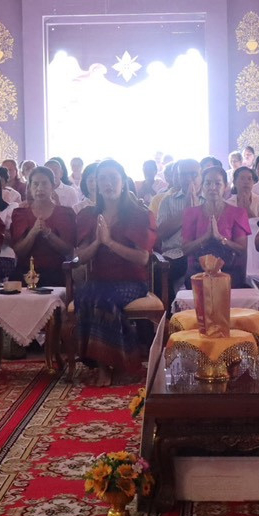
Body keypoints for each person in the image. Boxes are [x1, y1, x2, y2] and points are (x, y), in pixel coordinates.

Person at [74, 160, 154, 386]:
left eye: (113, 178)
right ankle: (103, 366)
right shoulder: (88, 215)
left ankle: (120, 364)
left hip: (132, 281)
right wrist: (98, 243)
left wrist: (109, 242)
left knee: (104, 300)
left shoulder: (138, 214)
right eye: (102, 179)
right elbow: (80, 257)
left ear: (123, 182)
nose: (108, 184)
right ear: (96, 185)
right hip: (99, 280)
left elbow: (143, 258)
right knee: (85, 295)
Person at [181, 165, 251, 286]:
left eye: (218, 183)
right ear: (202, 187)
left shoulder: (238, 213)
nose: (212, 188)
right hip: (199, 272)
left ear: (225, 186)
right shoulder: (191, 213)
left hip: (229, 272)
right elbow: (185, 249)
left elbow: (241, 249)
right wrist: (205, 238)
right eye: (208, 183)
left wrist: (220, 238)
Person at [10, 165, 77, 288]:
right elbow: (19, 251)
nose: (40, 188)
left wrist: (47, 233)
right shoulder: (21, 213)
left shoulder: (64, 213)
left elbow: (68, 249)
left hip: (55, 273)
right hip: (25, 273)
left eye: (44, 183)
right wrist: (33, 233)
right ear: (29, 187)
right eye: (35, 184)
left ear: (52, 186)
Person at [154, 159, 199, 290]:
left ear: (201, 175)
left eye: (194, 174)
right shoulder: (167, 201)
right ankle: (170, 310)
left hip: (204, 252)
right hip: (175, 254)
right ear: (177, 177)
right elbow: (160, 234)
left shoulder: (209, 199)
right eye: (183, 175)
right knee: (160, 272)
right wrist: (186, 211)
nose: (189, 179)